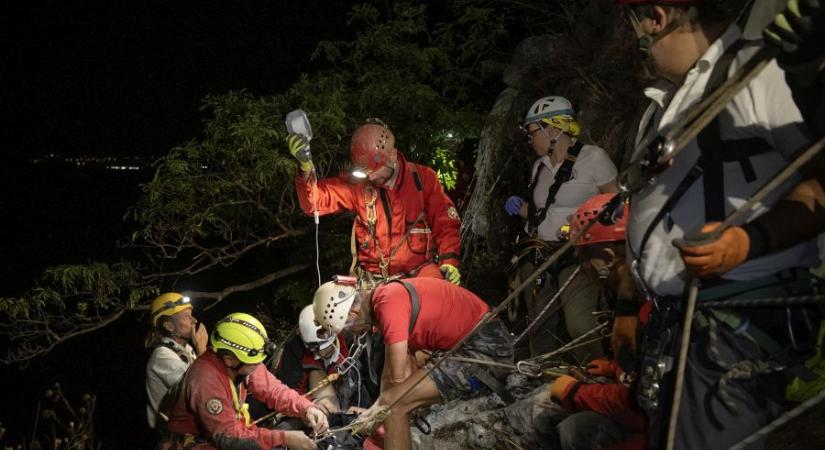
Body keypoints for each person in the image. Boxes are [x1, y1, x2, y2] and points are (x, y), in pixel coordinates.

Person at [618, 0, 824, 447]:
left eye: (632, 22)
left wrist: (747, 242)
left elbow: (820, 184)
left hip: (733, 322)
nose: (633, 39)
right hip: (680, 324)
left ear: (655, 17)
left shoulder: (756, 74)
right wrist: (626, 306)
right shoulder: (663, 104)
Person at [311, 276, 514, 450]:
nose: (352, 334)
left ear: (353, 315)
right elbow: (390, 375)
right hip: (475, 344)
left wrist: (377, 410)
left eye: (347, 329)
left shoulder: (387, 303)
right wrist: (376, 408)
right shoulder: (384, 298)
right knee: (390, 403)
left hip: (485, 349)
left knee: (395, 405)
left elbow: (397, 378)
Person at [504, 95, 619, 360]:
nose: (530, 140)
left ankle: (597, 375)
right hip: (541, 252)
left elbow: (617, 205)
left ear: (553, 128)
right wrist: (522, 209)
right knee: (539, 325)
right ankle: (545, 378)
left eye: (533, 132)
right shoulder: (539, 168)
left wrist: (591, 229)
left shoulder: (593, 158)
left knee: (580, 323)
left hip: (577, 253)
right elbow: (545, 213)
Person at [288, 119, 462, 286]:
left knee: (439, 296)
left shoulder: (423, 179)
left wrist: (450, 261)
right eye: (365, 172)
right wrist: (305, 169)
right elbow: (313, 203)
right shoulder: (358, 185)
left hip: (418, 273)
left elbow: (445, 223)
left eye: (375, 171)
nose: (370, 176)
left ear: (392, 156)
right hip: (374, 281)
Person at [537, 194, 647, 450]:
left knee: (574, 429)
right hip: (648, 418)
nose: (582, 268)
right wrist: (612, 367)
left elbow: (635, 405)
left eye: (583, 258)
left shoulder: (646, 313)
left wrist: (573, 392)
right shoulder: (634, 300)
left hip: (653, 430)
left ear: (609, 258)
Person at [158, 312, 328, 450]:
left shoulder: (242, 362)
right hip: (193, 443)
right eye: (254, 363)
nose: (258, 366)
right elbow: (228, 438)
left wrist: (306, 408)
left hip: (225, 432)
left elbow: (274, 390)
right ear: (230, 360)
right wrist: (284, 438)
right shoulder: (205, 379)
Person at [275, 305, 373, 415]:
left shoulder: (351, 342)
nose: (324, 352)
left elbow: (367, 380)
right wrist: (310, 404)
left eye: (329, 345)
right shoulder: (294, 351)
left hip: (350, 398)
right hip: (308, 403)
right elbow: (288, 390)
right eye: (317, 349)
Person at [145, 292, 208, 430]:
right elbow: (201, 388)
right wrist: (202, 351)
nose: (194, 320)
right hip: (172, 437)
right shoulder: (162, 356)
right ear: (169, 326)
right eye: (187, 317)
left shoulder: (187, 349)